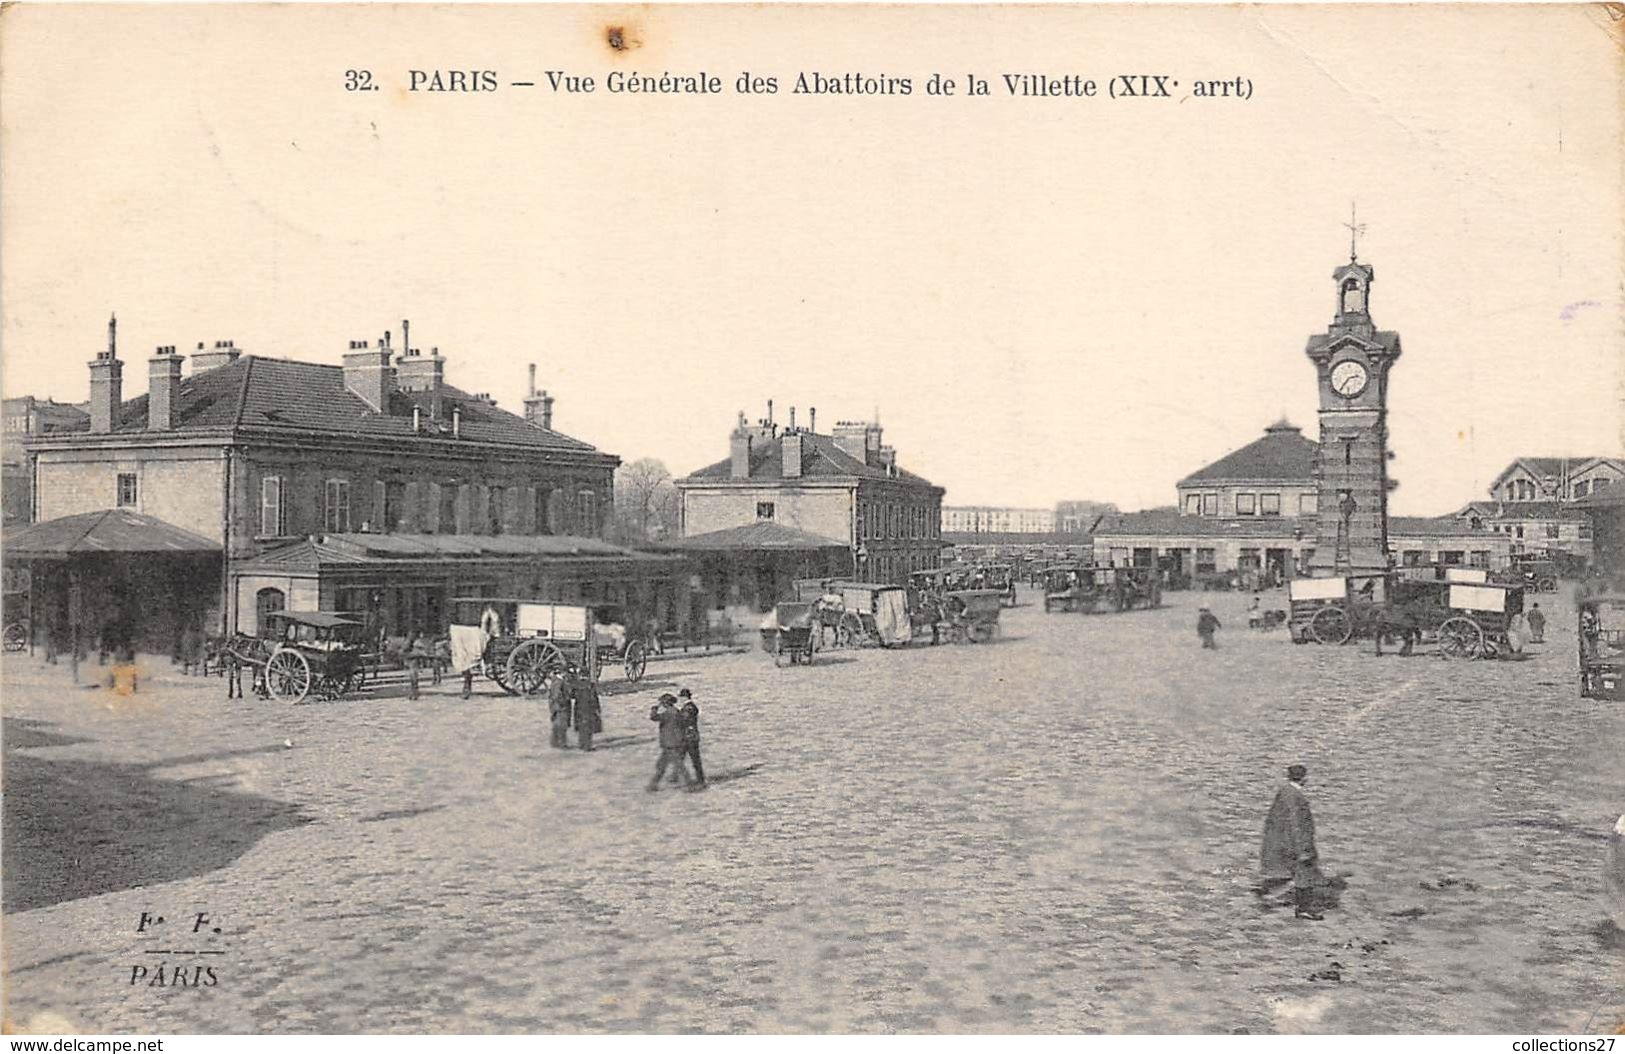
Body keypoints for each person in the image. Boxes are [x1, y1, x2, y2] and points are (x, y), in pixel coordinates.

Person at [1260, 764, 1327, 921]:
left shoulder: (1285, 791)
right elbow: (1296, 824)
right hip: (1294, 843)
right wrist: (1303, 849)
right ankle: (1303, 909)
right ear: (1304, 779)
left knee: (1296, 874)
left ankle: (1273, 896)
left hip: (1283, 841)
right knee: (1305, 873)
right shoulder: (1295, 796)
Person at [647, 693, 692, 790]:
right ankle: (653, 785)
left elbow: (653, 717)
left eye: (662, 702)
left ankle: (690, 785)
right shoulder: (676, 711)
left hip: (670, 744)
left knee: (677, 766)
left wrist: (654, 708)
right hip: (674, 742)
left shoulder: (668, 713)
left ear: (665, 703)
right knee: (662, 765)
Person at [678, 687, 705, 788]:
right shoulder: (688, 707)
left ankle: (700, 780)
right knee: (681, 758)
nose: (680, 700)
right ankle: (679, 777)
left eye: (681, 697)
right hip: (689, 737)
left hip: (689, 737)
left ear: (685, 697)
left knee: (694, 760)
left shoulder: (689, 707)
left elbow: (684, 720)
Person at [572, 668, 601, 752]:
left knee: (581, 727)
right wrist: (597, 708)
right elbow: (594, 698)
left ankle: (581, 744)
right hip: (588, 708)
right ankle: (587, 746)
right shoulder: (590, 685)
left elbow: (573, 695)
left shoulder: (577, 685)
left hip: (579, 708)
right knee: (588, 728)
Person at [547, 670, 572, 749]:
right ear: (562, 673)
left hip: (556, 707)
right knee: (562, 726)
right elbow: (557, 695)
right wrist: (564, 701)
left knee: (556, 725)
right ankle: (562, 744)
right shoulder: (559, 682)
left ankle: (554, 742)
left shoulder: (555, 681)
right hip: (560, 707)